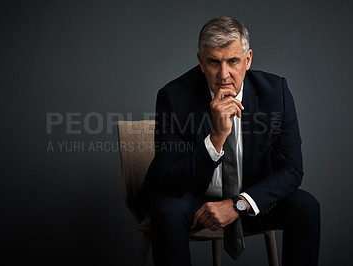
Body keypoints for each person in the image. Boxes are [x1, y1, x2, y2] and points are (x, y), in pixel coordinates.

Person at [132, 16, 320, 266]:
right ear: (201, 61)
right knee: (166, 210)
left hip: (250, 197)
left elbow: (291, 170)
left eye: (233, 61)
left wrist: (238, 204)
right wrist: (217, 137)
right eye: (213, 62)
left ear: (248, 59)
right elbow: (170, 180)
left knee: (305, 207)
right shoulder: (174, 97)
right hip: (192, 198)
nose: (224, 74)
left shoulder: (276, 94)